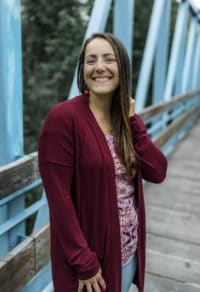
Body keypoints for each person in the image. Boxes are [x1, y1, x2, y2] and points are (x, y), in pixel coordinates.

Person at [38, 32, 167, 292]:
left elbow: (157, 171)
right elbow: (58, 197)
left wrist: (133, 120)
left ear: (122, 68)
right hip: (91, 268)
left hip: (129, 255)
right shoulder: (63, 118)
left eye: (109, 59)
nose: (99, 67)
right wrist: (83, 261)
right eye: (91, 60)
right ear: (83, 69)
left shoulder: (124, 120)